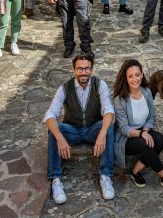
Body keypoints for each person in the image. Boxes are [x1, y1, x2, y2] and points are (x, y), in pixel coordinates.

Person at [44, 52, 116, 204]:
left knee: (108, 125)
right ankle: (56, 179)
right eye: (80, 69)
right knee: (53, 128)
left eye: (87, 68)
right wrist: (60, 138)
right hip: (73, 131)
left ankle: (106, 176)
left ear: (92, 69)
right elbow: (50, 115)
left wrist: (102, 133)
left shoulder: (100, 84)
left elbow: (109, 110)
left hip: (93, 131)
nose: (83, 72)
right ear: (74, 70)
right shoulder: (64, 88)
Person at [112, 59, 163, 191]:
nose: (135, 79)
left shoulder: (146, 92)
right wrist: (141, 133)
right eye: (130, 76)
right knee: (148, 144)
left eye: (137, 74)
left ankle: (135, 171)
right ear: (125, 78)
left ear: (141, 75)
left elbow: (151, 116)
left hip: (143, 131)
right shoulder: (119, 99)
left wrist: (146, 129)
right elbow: (123, 128)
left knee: (160, 140)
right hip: (126, 137)